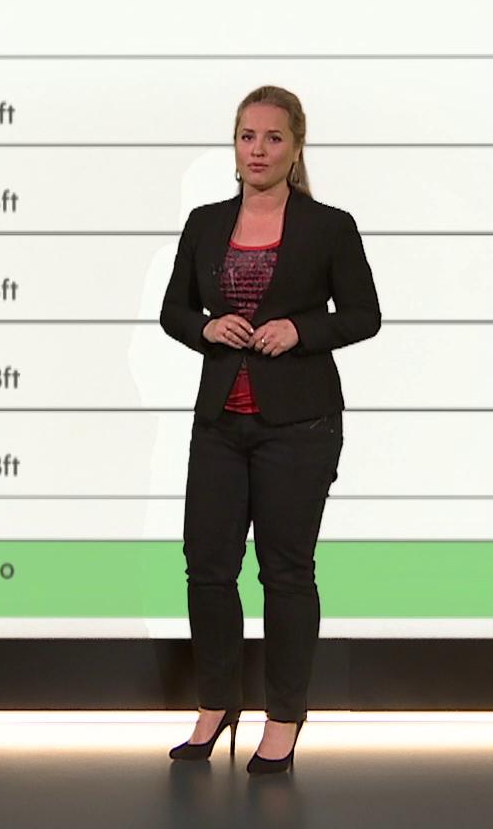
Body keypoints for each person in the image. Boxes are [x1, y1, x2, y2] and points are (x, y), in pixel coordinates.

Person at [157, 85, 381, 770]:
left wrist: (301, 330)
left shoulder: (329, 226)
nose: (257, 150)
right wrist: (205, 328)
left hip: (299, 426)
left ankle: (284, 716)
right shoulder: (204, 223)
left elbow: (364, 315)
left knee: (285, 571)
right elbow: (173, 311)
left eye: (273, 138)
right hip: (220, 424)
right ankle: (216, 703)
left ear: (296, 147)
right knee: (207, 567)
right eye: (247, 136)